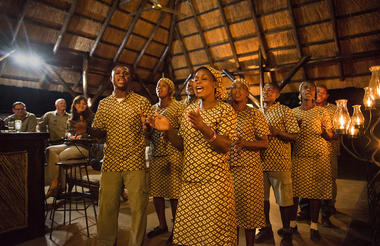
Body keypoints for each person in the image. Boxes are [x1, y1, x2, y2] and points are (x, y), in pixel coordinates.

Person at [148, 66, 238, 245]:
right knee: (187, 237)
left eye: (204, 78)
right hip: (189, 184)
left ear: (215, 84)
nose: (198, 82)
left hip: (214, 185)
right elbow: (181, 144)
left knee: (213, 238)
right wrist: (168, 129)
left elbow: (225, 146)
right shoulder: (189, 110)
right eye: (196, 79)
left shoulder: (225, 110)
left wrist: (203, 127)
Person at [92, 65, 153, 246]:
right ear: (111, 79)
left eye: (125, 73)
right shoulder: (104, 104)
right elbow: (99, 132)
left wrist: (147, 127)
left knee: (138, 208)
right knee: (107, 207)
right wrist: (88, 128)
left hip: (135, 161)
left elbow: (150, 130)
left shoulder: (142, 102)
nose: (121, 76)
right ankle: (105, 242)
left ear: (130, 79)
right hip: (110, 161)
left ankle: (136, 243)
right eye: (117, 73)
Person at [290, 81, 333, 241]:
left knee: (315, 192)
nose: (308, 91)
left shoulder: (322, 112)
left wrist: (324, 132)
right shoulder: (293, 113)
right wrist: (295, 128)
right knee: (295, 192)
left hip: (318, 156)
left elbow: (329, 136)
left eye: (312, 89)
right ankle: (292, 224)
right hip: (299, 155)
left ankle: (314, 226)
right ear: (300, 93)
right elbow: (289, 137)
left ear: (314, 94)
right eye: (305, 88)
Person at [257, 83, 299, 246]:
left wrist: (277, 132)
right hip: (259, 162)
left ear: (277, 95)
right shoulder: (257, 112)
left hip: (280, 161)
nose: (265, 93)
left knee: (284, 199)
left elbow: (294, 135)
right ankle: (266, 228)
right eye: (263, 91)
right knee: (262, 199)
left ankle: (287, 231)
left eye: (269, 91)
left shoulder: (284, 111)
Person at [229, 78, 269, 246]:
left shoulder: (255, 114)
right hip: (227, 170)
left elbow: (264, 142)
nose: (237, 91)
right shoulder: (225, 112)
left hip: (249, 171)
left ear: (247, 93)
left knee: (249, 213)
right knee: (231, 214)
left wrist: (245, 143)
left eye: (241, 88)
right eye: (234, 88)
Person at [147, 77, 184, 242]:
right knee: (157, 193)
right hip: (156, 154)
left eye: (163, 86)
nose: (159, 88)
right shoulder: (152, 108)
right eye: (157, 85)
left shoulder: (179, 107)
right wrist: (146, 127)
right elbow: (148, 135)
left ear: (170, 89)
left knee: (174, 194)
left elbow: (184, 132)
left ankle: (177, 229)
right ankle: (162, 225)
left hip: (173, 154)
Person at [45, 95, 94, 198]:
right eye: (78, 104)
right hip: (69, 144)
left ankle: (59, 186)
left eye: (84, 104)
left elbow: (94, 133)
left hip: (83, 147)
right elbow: (67, 131)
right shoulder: (71, 118)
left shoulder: (91, 117)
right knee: (49, 150)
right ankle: (55, 183)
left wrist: (82, 136)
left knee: (61, 156)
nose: (81, 106)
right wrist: (69, 135)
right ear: (75, 105)